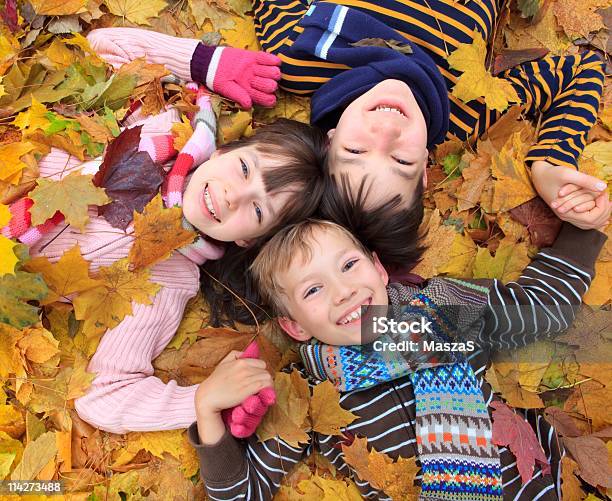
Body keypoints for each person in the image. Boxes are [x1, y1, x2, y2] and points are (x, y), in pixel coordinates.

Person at [1, 28, 328, 433]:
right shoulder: (158, 125)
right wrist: (205, 61)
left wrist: (200, 401)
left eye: (259, 209)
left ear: (249, 240)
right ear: (225, 150)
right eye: (244, 169)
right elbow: (104, 44)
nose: (233, 195)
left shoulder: (166, 277)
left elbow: (104, 395)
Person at [189, 215, 607, 500]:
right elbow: (245, 492)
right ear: (294, 327)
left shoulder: (448, 306)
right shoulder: (308, 393)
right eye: (313, 290)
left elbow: (541, 310)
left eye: (349, 265)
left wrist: (583, 230)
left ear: (379, 269)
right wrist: (207, 412)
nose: (344, 291)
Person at [251, 0, 609, 269]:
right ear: (424, 168)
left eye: (356, 150)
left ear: (329, 140)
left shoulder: (299, 62)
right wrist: (549, 165)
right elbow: (580, 69)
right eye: (400, 160)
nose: (387, 131)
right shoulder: (466, 112)